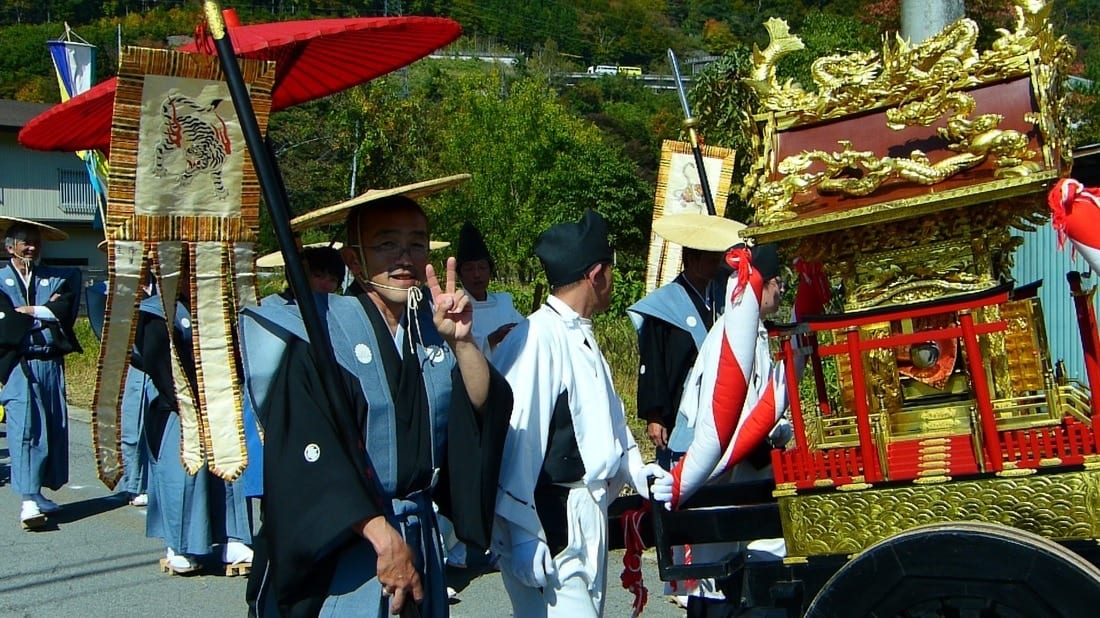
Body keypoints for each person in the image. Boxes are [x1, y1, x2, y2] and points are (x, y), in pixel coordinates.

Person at [239, 187, 512, 617]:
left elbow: (481, 411)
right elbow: (307, 459)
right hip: (349, 544)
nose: (404, 257)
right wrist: (383, 538)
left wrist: (462, 342)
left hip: (416, 531)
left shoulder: (429, 329)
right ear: (354, 258)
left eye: (416, 243)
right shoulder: (321, 336)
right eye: (387, 244)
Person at [491, 209, 667, 617]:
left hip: (588, 511)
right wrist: (520, 535)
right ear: (596, 274)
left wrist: (638, 472)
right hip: (549, 518)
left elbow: (612, 422)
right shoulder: (535, 336)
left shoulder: (582, 334)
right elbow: (517, 436)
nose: (613, 281)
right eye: (611, 270)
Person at [652, 243, 798, 616]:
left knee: (756, 561)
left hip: (745, 464)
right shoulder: (730, 334)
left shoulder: (755, 332)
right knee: (714, 575)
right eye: (777, 282)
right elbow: (718, 414)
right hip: (719, 469)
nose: (781, 291)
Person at [136, 269, 253, 575]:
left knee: (228, 469)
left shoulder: (213, 308)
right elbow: (158, 363)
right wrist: (188, 402)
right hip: (176, 407)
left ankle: (232, 538)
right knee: (184, 475)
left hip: (219, 402)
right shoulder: (154, 311)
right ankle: (179, 545)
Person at [628, 215, 744, 471]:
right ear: (691, 259)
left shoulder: (720, 294)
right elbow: (653, 360)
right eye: (710, 258)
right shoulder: (663, 305)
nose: (716, 265)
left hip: (718, 386)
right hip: (683, 393)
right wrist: (654, 415)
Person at [0, 217, 82, 530]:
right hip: (18, 363)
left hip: (51, 361)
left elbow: (64, 312)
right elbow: (5, 323)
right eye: (25, 241)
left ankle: (40, 489)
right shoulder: (0, 279)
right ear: (11, 247)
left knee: (53, 425)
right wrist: (43, 313)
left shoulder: (57, 277)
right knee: (25, 427)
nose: (32, 247)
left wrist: (31, 311)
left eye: (36, 241)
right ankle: (28, 498)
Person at [456, 222, 524, 359]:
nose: (477, 274)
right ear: (460, 274)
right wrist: (490, 340)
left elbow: (524, 330)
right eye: (469, 269)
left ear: (490, 271)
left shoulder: (504, 302)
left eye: (482, 267)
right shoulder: (457, 308)